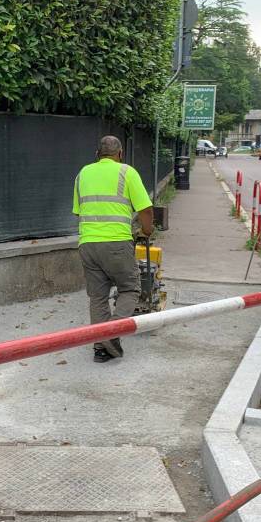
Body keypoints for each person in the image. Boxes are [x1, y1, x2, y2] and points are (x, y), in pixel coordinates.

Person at [72, 135, 154, 363]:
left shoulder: (82, 174)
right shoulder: (127, 172)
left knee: (98, 297)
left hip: (87, 244)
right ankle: (111, 334)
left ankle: (101, 348)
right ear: (120, 154)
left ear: (97, 154)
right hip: (117, 243)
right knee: (130, 289)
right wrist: (146, 231)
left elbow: (78, 211)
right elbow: (145, 209)